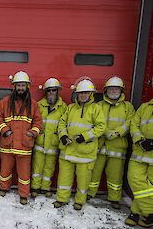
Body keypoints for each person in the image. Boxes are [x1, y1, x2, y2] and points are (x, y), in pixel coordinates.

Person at [54, 77, 106, 210]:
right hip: (68, 150)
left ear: (91, 94)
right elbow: (62, 123)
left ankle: (80, 201)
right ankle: (62, 198)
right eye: (81, 93)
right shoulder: (70, 108)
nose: (83, 95)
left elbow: (101, 127)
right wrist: (63, 136)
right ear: (76, 94)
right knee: (64, 178)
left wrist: (85, 136)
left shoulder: (96, 109)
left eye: (86, 93)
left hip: (85, 153)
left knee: (83, 180)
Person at [0, 71, 42, 205]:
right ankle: (4, 188)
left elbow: (38, 123)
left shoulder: (33, 104)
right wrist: (5, 130)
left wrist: (32, 133)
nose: (20, 88)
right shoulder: (5, 102)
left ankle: (23, 194)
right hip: (8, 144)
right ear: (14, 87)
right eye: (18, 85)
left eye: (23, 85)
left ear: (27, 86)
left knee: (24, 174)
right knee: (5, 170)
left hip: (24, 146)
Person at [87, 76, 135, 209]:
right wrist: (105, 131)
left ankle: (114, 198)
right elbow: (94, 121)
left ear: (121, 91)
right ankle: (90, 194)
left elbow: (130, 122)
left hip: (117, 147)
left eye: (116, 89)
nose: (113, 91)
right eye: (111, 89)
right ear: (106, 91)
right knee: (94, 173)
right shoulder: (98, 105)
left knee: (116, 176)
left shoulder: (128, 107)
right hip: (100, 146)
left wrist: (117, 132)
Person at [31, 78, 67, 198]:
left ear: (58, 91)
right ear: (45, 92)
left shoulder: (63, 107)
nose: (51, 92)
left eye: (54, 90)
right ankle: (35, 187)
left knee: (49, 169)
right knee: (37, 167)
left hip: (53, 144)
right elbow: (34, 121)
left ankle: (46, 187)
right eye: (49, 90)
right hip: (40, 143)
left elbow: (65, 125)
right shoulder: (39, 105)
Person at [124, 98, 153, 228]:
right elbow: (134, 124)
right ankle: (150, 212)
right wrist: (140, 139)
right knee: (135, 180)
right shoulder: (145, 107)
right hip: (139, 152)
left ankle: (135, 212)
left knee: (150, 185)